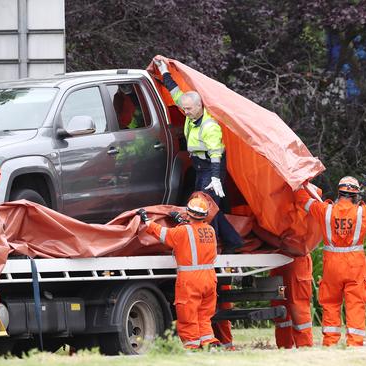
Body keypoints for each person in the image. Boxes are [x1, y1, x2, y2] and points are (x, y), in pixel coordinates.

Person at [153, 57, 242, 254]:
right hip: (199, 167)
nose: (185, 112)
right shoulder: (189, 111)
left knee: (206, 209)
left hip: (211, 167)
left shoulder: (209, 126)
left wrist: (216, 179)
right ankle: (233, 241)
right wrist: (163, 70)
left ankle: (215, 246)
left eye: (189, 109)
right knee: (207, 207)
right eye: (184, 108)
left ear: (200, 106)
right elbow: (175, 91)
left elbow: (216, 154)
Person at [296, 175, 366, 346]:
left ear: (339, 193)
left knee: (330, 303)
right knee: (355, 304)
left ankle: (330, 343)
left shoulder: (325, 210)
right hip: (355, 266)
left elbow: (303, 200)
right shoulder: (363, 212)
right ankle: (355, 343)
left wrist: (302, 181)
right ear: (355, 195)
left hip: (332, 266)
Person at [137, 196, 218, 349]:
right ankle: (208, 342)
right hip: (209, 277)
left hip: (190, 280)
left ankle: (192, 346)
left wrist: (147, 221)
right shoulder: (210, 230)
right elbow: (194, 234)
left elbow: (164, 235)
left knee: (188, 315)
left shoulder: (182, 231)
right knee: (204, 315)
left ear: (188, 213)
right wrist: (181, 221)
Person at [270, 254, 314, 348]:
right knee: (281, 305)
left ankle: (304, 345)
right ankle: (285, 345)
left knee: (297, 305)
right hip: (278, 262)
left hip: (294, 261)